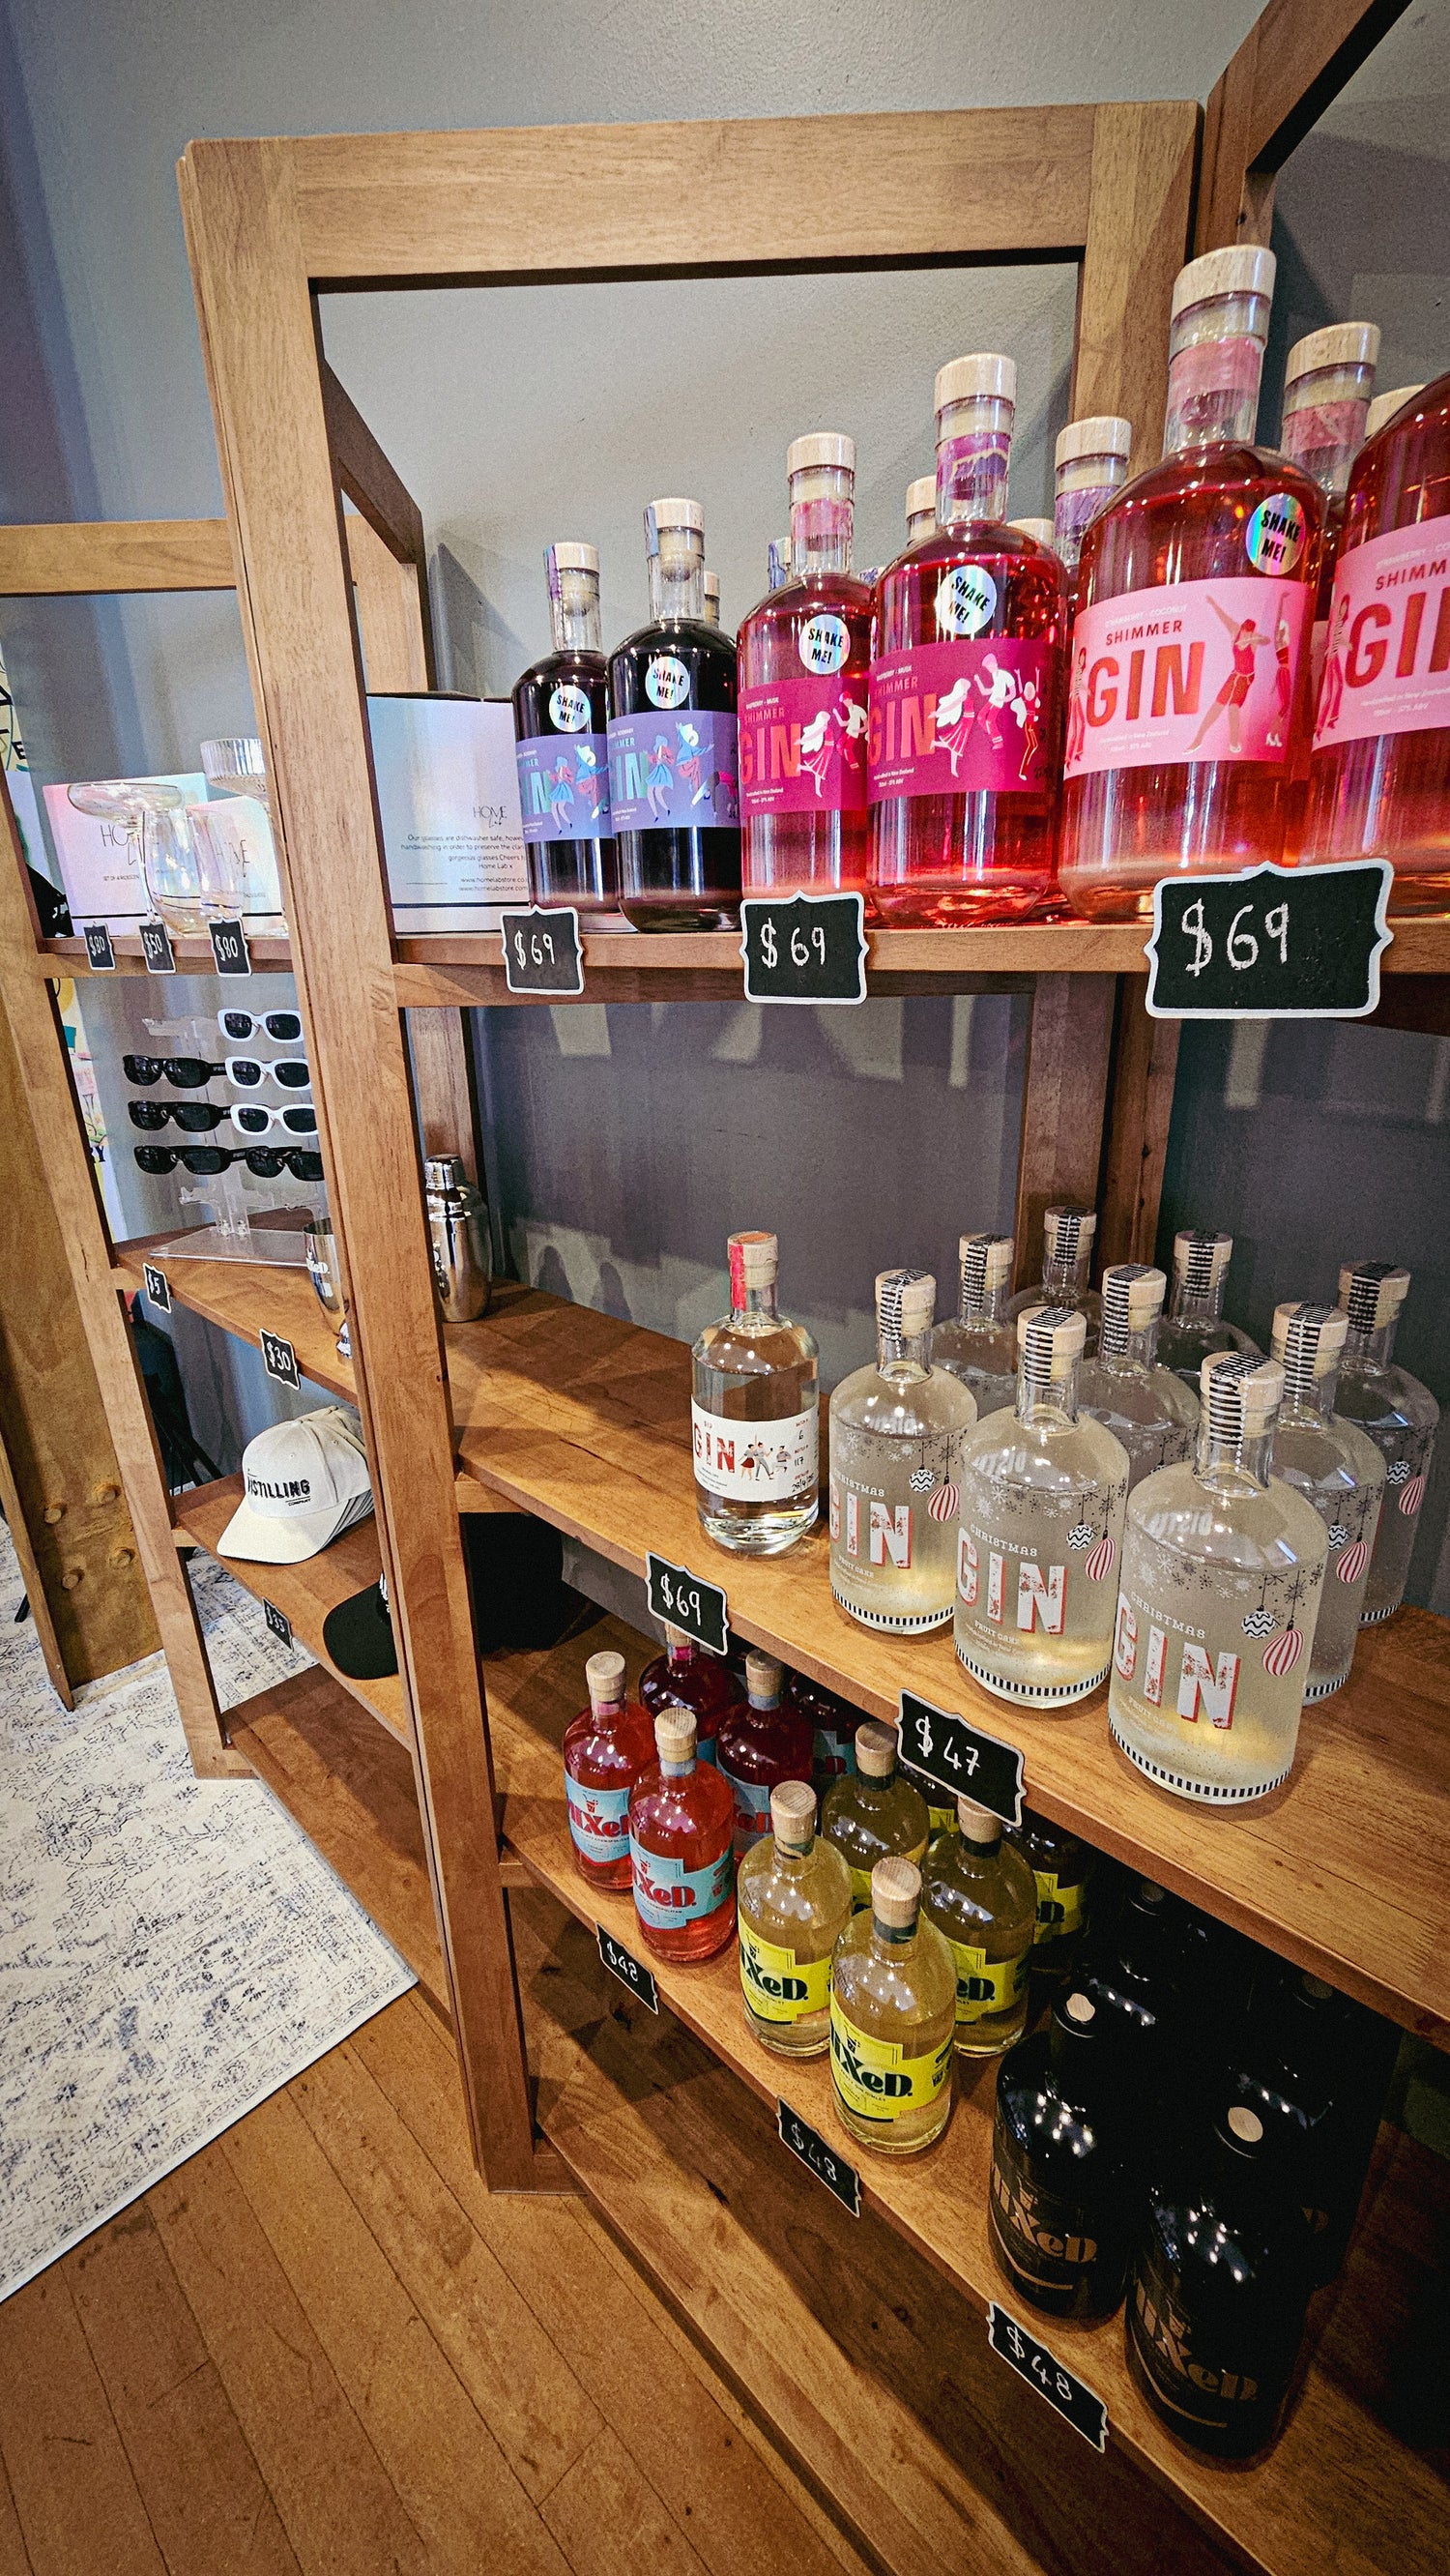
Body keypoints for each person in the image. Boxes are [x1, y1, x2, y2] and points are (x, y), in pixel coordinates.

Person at [1187, 599, 1273, 755]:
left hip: (1246, 677)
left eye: (1249, 631)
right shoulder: (1235, 631)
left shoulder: (1253, 639)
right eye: (1245, 630)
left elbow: (1267, 641)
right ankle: (1198, 739)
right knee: (1217, 705)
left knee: (1233, 707)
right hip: (1235, 674)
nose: (1246, 633)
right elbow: (1224, 617)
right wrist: (1213, 604)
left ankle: (1234, 742)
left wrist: (1253, 639)